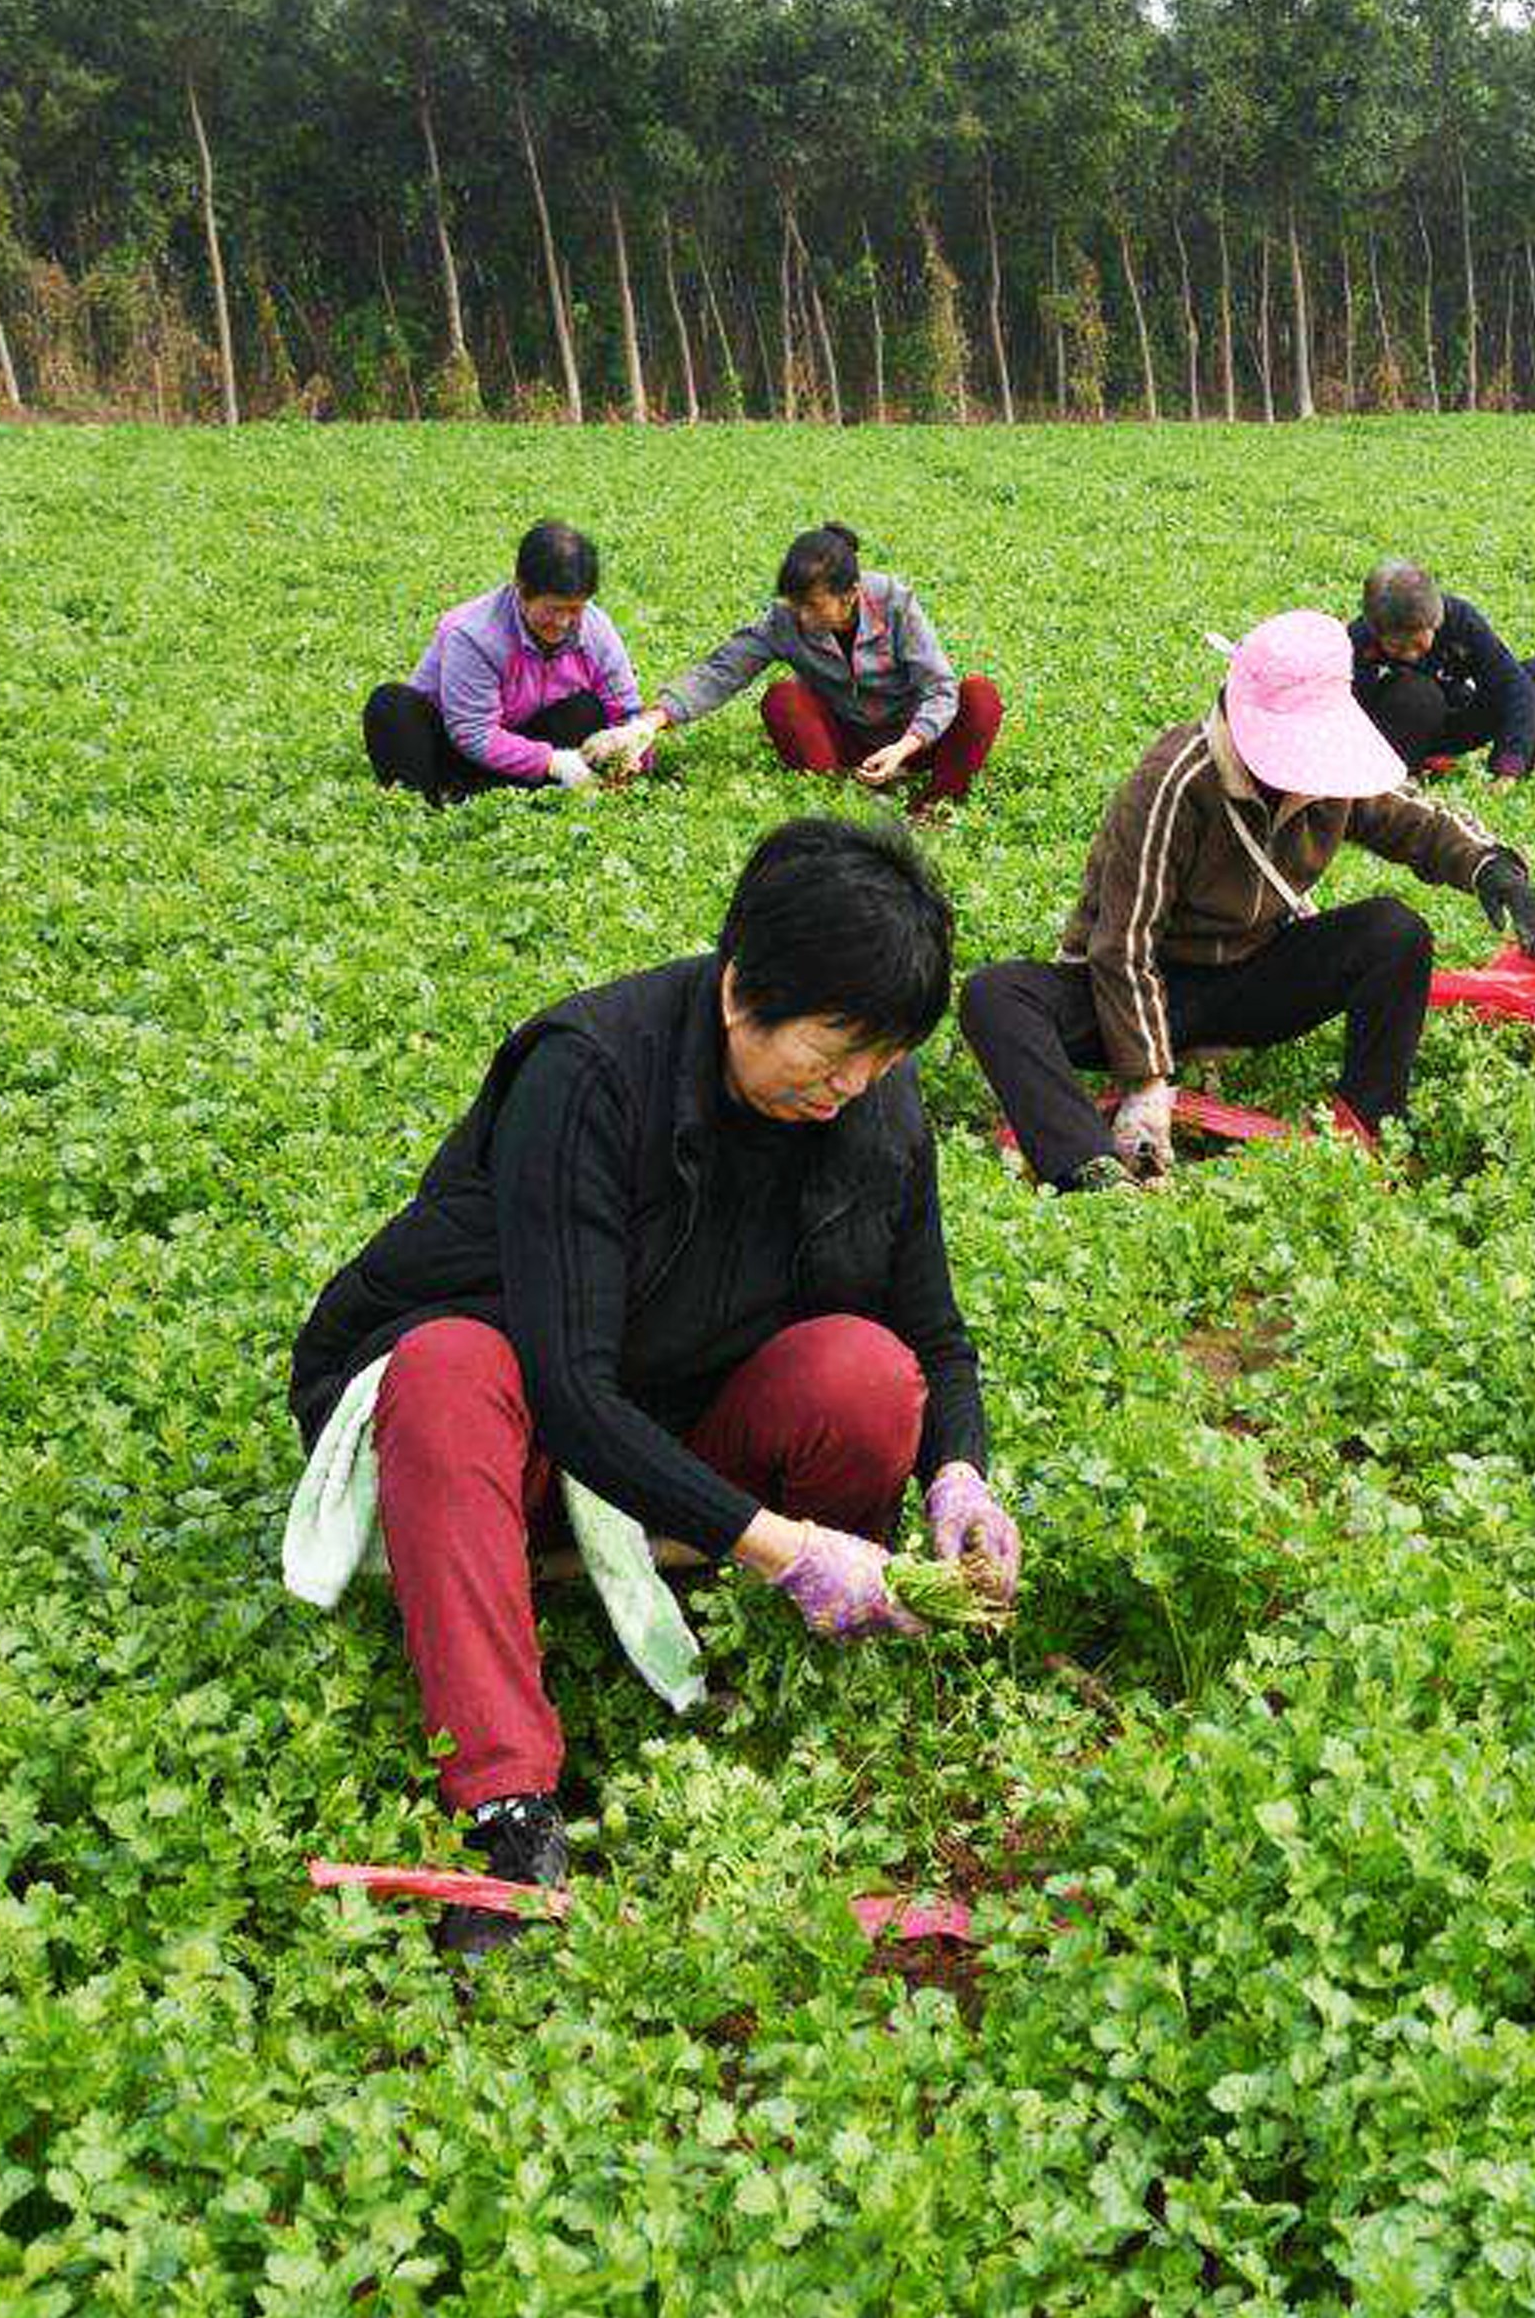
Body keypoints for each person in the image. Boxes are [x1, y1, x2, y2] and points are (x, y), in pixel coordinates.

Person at [286, 816, 1019, 1956]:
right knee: (444, 1366)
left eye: (881, 1054)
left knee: (867, 1375)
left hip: (677, 1416)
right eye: (832, 1048)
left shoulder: (873, 1093)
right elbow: (572, 1393)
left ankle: (723, 1601)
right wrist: (783, 1539)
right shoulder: (588, 1074)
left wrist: (960, 1476)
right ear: (740, 994)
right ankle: (508, 1807)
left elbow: (929, 1326)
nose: (854, 1084)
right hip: (520, 1438)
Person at [957, 609, 1535, 1193]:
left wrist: (1491, 867)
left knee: (1395, 931)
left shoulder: (1333, 772)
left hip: (1247, 978)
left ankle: (1371, 1132)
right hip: (1143, 990)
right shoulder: (1176, 781)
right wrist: (1146, 1081)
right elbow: (1124, 941)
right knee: (996, 997)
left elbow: (1414, 819)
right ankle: (1089, 1164)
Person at [594, 523, 1003, 813]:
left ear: (851, 595)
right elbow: (721, 671)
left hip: (915, 739)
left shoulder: (894, 602)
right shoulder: (784, 619)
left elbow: (939, 688)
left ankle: (933, 804)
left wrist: (904, 747)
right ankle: (840, 794)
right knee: (784, 700)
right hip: (849, 739)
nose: (802, 616)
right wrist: (647, 725)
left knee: (980, 697)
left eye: (814, 606)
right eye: (796, 604)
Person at [366, 521, 649, 804]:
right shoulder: (473, 633)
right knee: (391, 705)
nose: (563, 623)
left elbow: (626, 711)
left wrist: (632, 750)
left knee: (586, 710)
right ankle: (436, 798)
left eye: (574, 609)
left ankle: (498, 794)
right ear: (521, 589)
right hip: (454, 751)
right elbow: (473, 733)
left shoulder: (596, 631)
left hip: (527, 744)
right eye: (552, 609)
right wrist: (555, 763)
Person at [1344, 560, 1535, 781]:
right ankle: (1403, 774)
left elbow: (1512, 685)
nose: (1410, 655)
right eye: (1397, 647)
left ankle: (1520, 770)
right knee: (1418, 692)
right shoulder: (1358, 639)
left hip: (1454, 720)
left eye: (1418, 644)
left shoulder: (1461, 620)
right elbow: (1344, 709)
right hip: (1394, 731)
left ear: (1435, 622)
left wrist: (1509, 768)